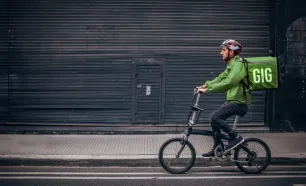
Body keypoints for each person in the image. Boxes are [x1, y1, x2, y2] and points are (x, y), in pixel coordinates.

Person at [197, 39, 252, 157]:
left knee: (215, 117)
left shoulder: (239, 65)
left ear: (231, 52)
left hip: (240, 103)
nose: (221, 53)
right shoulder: (232, 65)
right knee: (213, 120)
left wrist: (209, 89)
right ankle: (218, 148)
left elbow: (229, 82)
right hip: (233, 101)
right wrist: (206, 84)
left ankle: (235, 137)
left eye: (223, 50)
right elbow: (222, 78)